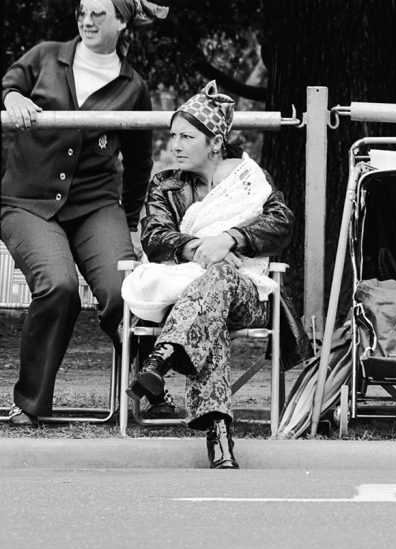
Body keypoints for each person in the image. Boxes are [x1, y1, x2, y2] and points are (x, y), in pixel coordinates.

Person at [1, 0, 165, 426]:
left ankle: (148, 387)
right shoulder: (45, 55)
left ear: (122, 22)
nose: (87, 21)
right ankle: (30, 403)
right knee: (58, 286)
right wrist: (14, 97)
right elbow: (10, 83)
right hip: (28, 203)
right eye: (82, 12)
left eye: (98, 14)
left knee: (123, 292)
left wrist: (130, 225)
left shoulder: (134, 86)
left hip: (95, 205)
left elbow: (139, 162)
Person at [126, 81, 304, 469]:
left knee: (221, 282)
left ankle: (164, 355)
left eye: (186, 137)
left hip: (249, 295)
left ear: (215, 141)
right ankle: (219, 435)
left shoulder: (250, 179)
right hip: (191, 296)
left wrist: (232, 237)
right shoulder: (166, 183)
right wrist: (201, 249)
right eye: (172, 135)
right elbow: (154, 236)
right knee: (212, 306)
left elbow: (282, 223)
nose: (174, 145)